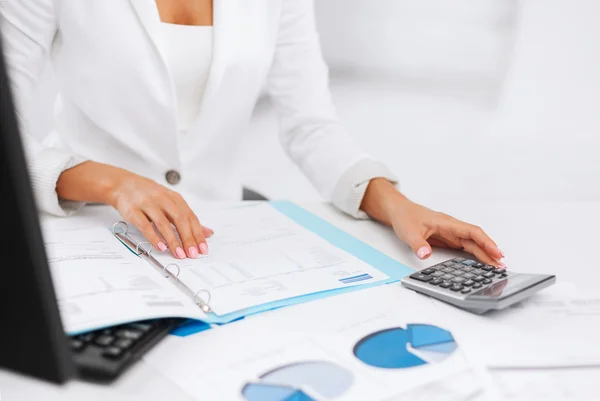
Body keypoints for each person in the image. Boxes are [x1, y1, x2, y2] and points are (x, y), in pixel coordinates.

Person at [1, 0, 505, 266]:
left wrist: (399, 206)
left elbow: (311, 125)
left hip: (218, 238)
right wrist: (110, 182)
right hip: (85, 229)